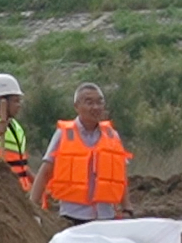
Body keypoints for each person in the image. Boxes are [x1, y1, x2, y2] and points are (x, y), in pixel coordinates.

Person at [29, 83, 134, 224]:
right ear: (76, 106)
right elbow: (45, 172)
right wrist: (31, 208)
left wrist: (127, 207)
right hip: (72, 216)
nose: (95, 107)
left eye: (99, 102)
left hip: (106, 216)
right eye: (89, 102)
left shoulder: (112, 135)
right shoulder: (64, 134)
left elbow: (121, 175)